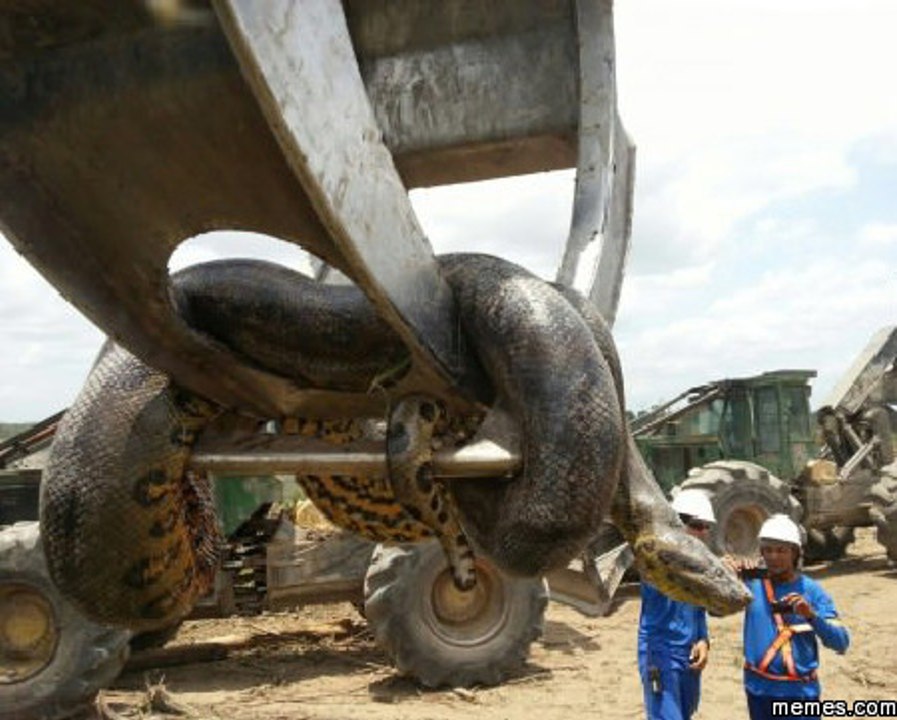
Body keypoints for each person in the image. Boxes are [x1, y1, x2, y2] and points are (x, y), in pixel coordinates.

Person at [729, 514, 850, 720]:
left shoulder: (812, 591)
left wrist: (811, 616)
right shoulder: (751, 584)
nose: (773, 557)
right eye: (768, 550)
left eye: (781, 550)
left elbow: (841, 642)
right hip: (759, 692)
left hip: (799, 697)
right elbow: (716, 611)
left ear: (795, 553)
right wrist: (727, 577)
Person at [638, 489, 715, 720]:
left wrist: (703, 639)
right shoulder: (655, 560)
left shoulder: (698, 563)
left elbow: (698, 607)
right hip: (661, 654)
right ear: (677, 523)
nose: (703, 533)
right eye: (697, 525)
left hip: (689, 655)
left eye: (706, 527)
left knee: (686, 713)